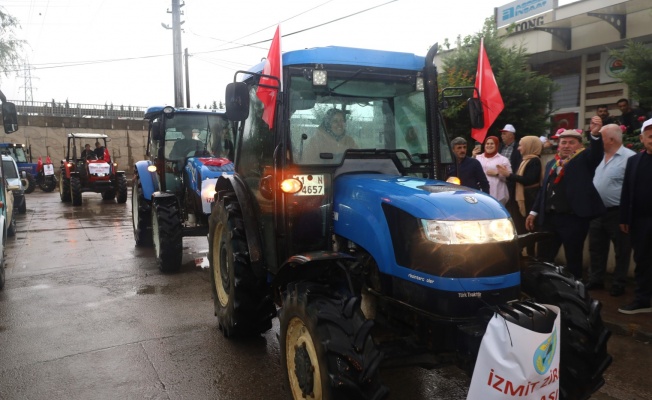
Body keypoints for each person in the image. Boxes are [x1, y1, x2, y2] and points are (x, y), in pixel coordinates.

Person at [525, 116, 606, 279]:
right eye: (564, 142)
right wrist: (533, 212)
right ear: (558, 145)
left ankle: (575, 293)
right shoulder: (551, 164)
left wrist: (595, 135)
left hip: (573, 219)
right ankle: (544, 290)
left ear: (580, 145)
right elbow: (544, 190)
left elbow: (597, 153)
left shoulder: (584, 159)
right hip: (550, 219)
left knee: (573, 260)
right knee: (544, 258)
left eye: (572, 142)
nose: (567, 146)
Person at [586, 124, 635, 296]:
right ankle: (596, 279)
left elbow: (633, 189)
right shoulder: (598, 157)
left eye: (602, 137)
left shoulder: (630, 158)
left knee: (621, 249)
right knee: (596, 248)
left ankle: (618, 283)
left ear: (611, 139)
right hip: (597, 211)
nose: (599, 141)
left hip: (618, 212)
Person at [618, 118, 652, 314]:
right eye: (650, 136)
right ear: (642, 138)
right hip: (640, 221)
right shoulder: (634, 161)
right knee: (642, 260)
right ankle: (643, 299)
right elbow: (627, 191)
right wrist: (624, 218)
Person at [497, 135, 543, 255]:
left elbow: (528, 180)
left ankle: (530, 258)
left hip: (529, 200)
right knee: (520, 229)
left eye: (521, 145)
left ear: (529, 146)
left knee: (528, 229)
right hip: (521, 199)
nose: (518, 148)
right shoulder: (526, 160)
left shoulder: (534, 161)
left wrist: (508, 175)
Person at [472, 135, 511, 204]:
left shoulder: (503, 160)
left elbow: (509, 177)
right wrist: (473, 157)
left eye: (492, 144)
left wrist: (497, 174)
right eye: (487, 143)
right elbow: (470, 172)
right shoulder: (478, 157)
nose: (489, 145)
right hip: (480, 193)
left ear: (496, 145)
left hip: (498, 194)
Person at [499, 124, 522, 222]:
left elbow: (518, 165)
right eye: (502, 134)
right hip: (500, 180)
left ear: (511, 135)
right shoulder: (500, 147)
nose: (502, 136)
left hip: (512, 181)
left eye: (504, 134)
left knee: (511, 206)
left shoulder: (518, 148)